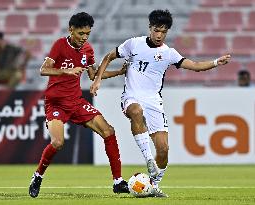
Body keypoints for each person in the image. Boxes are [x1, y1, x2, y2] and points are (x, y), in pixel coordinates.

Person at [90, 9, 231, 197]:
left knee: (163, 150)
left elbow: (195, 66)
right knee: (135, 110)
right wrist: (98, 79)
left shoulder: (169, 53)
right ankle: (148, 159)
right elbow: (109, 57)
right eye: (157, 30)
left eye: (164, 31)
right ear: (150, 28)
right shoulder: (134, 44)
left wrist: (215, 62)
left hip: (154, 102)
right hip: (131, 96)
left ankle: (153, 185)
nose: (159, 35)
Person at [28, 12, 129, 198]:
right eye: (81, 33)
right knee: (58, 143)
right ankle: (37, 176)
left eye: (87, 34)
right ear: (71, 30)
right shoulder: (60, 45)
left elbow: (94, 75)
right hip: (56, 103)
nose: (84, 38)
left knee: (109, 131)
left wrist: (119, 72)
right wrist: (67, 71)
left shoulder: (88, 50)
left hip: (76, 102)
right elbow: (44, 70)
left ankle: (118, 182)